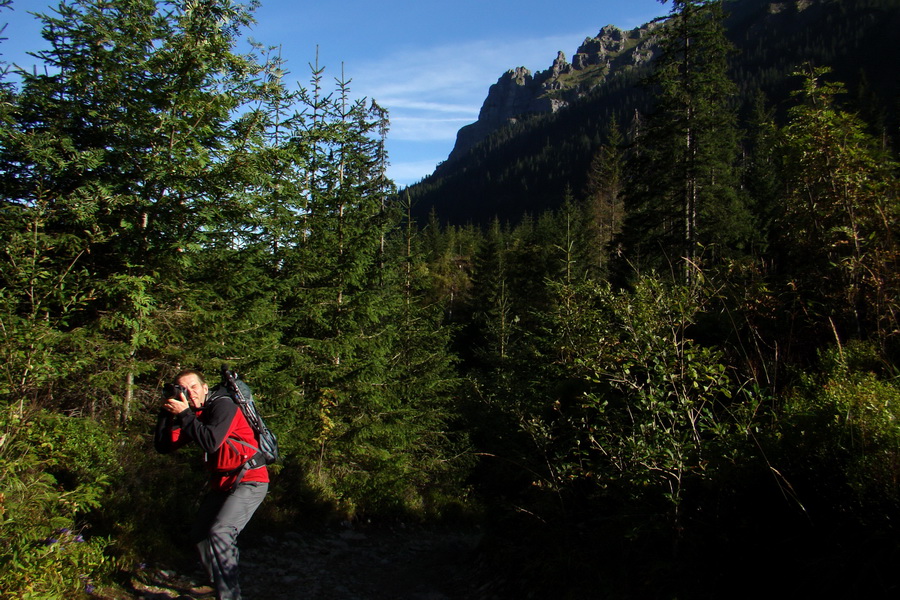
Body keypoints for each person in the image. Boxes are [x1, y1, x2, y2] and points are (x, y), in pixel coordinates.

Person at [155, 369, 269, 600]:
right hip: (223, 482)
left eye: (193, 387)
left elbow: (211, 442)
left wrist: (185, 413)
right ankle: (220, 584)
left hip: (251, 479)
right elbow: (163, 446)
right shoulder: (198, 414)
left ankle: (229, 596)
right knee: (199, 534)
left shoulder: (223, 406)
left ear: (205, 388)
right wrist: (166, 413)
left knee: (221, 531)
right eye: (184, 390)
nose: (190, 393)